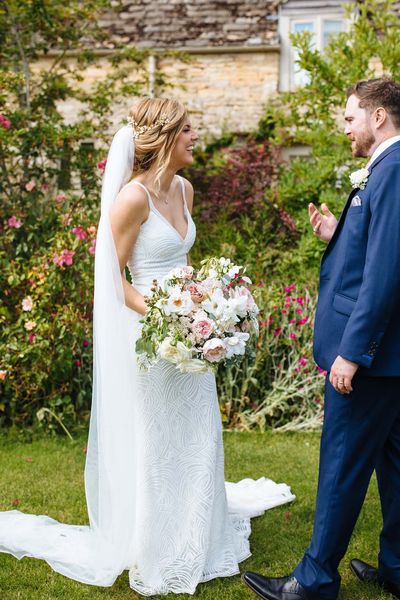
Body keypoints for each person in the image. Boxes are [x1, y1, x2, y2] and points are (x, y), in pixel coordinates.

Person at [0, 97, 294, 595]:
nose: (195, 137)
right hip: (152, 338)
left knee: (199, 433)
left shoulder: (185, 189)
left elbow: (183, 263)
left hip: (191, 337)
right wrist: (170, 317)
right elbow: (113, 279)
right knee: (158, 441)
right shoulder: (131, 199)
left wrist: (206, 308)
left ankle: (201, 531)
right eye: (187, 130)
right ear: (163, 138)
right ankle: (155, 543)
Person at [242, 78, 400, 600]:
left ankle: (312, 582)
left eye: (350, 116)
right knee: (395, 465)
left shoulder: (393, 169)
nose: (345, 126)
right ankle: (398, 568)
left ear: (379, 117)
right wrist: (339, 233)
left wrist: (351, 354)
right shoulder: (385, 170)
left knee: (340, 464)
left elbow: (383, 276)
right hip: (391, 357)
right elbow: (378, 249)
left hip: (372, 358)